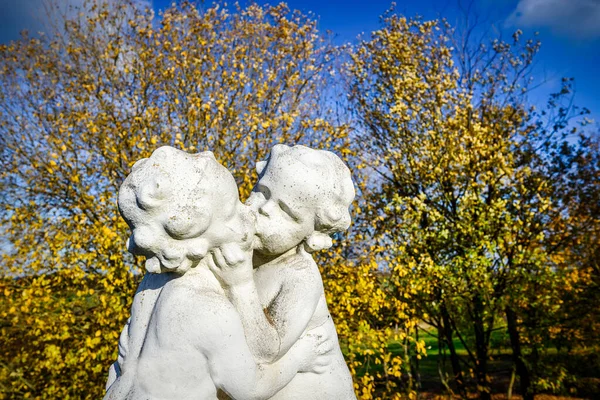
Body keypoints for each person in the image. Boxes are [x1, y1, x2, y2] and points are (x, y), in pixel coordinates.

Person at [105, 146, 333, 400]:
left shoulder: (151, 285)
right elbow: (250, 387)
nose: (251, 211)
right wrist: (299, 359)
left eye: (286, 211)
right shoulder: (212, 309)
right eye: (234, 208)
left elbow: (126, 363)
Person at [210, 144, 357, 399]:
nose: (264, 208)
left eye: (286, 212)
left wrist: (239, 285)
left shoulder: (300, 275)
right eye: (263, 192)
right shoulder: (240, 252)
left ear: (313, 233)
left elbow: (264, 351)